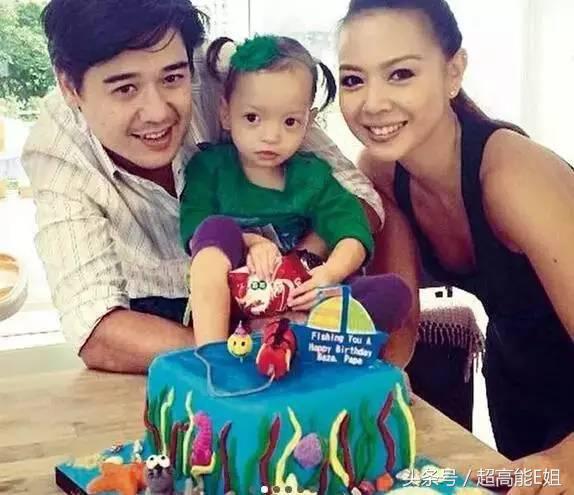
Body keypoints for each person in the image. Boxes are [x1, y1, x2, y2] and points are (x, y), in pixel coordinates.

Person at [21, 0, 387, 374]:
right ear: (70, 87)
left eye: (172, 78)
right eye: (126, 88)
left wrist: (300, 266)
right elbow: (96, 330)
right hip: (161, 321)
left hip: (298, 302)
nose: (157, 112)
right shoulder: (58, 148)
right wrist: (247, 346)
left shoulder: (233, 74)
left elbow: (360, 198)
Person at [337, 0, 574, 492]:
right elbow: (400, 327)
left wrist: (567, 459)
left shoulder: (513, 176)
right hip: (518, 392)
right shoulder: (381, 171)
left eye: (400, 74)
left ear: (453, 72)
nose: (372, 103)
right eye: (354, 80)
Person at [180, 35, 412, 346]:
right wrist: (251, 242)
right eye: (252, 118)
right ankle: (212, 353)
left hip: (306, 296)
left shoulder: (313, 176)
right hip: (236, 301)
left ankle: (294, 333)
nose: (271, 136)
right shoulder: (209, 168)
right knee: (215, 228)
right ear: (225, 113)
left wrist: (329, 274)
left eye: (290, 121)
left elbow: (352, 232)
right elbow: (195, 231)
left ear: (308, 121)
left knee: (393, 293)